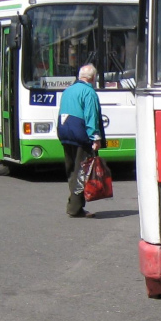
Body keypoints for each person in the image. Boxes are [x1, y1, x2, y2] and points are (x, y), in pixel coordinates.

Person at [58, 63, 105, 218]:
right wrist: (95, 137)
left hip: (65, 132)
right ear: (92, 78)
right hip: (80, 135)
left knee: (72, 169)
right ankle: (75, 208)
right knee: (82, 171)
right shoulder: (88, 92)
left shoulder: (68, 90)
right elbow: (91, 116)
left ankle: (74, 203)